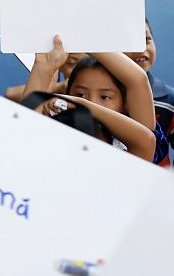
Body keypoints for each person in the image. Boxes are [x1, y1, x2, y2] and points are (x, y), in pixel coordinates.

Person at [22, 37, 162, 163]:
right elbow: (22, 133)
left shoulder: (129, 153)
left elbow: (138, 80)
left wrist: (80, 37)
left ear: (125, 105)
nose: (93, 102)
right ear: (66, 93)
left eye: (105, 97)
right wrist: (43, 67)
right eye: (81, 94)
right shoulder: (49, 142)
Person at [124, 19, 174, 167]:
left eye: (146, 40)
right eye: (130, 43)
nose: (140, 49)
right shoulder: (99, 93)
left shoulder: (169, 100)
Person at [4, 53, 85, 102]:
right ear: (61, 66)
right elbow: (10, 93)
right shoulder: (57, 93)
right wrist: (59, 86)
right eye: (71, 63)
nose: (78, 69)